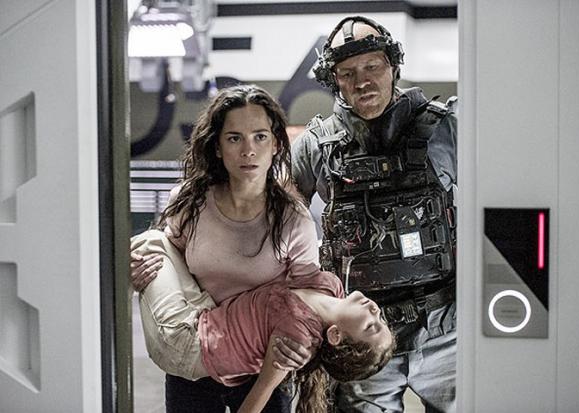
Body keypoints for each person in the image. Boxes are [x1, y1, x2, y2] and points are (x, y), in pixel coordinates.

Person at [130, 84, 391, 412]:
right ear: (217, 147)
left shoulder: (293, 220)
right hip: (197, 351)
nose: (248, 150)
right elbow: (170, 255)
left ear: (276, 144)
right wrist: (139, 272)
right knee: (149, 244)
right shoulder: (189, 202)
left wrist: (307, 352)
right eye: (234, 138)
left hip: (261, 366)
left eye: (260, 137)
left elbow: (312, 304)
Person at [291, 16, 457, 413]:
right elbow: (270, 222)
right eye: (347, 73)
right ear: (333, 81)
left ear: (393, 67)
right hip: (360, 337)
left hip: (445, 328)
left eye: (372, 66)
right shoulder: (315, 147)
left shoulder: (447, 129)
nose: (362, 81)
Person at [131, 228, 394, 413]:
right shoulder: (331, 287)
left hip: (185, 344)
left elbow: (260, 395)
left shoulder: (296, 339)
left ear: (335, 335)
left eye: (371, 326)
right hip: (206, 316)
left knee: (150, 243)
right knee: (161, 245)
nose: (375, 309)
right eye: (381, 318)